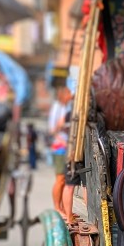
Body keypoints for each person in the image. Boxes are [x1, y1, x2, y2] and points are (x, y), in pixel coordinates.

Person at [48, 87, 72, 218]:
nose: (71, 95)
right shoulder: (57, 107)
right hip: (60, 147)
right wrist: (62, 127)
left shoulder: (66, 107)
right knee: (60, 179)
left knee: (65, 179)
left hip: (66, 146)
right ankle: (57, 207)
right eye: (69, 93)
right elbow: (52, 129)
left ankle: (62, 207)